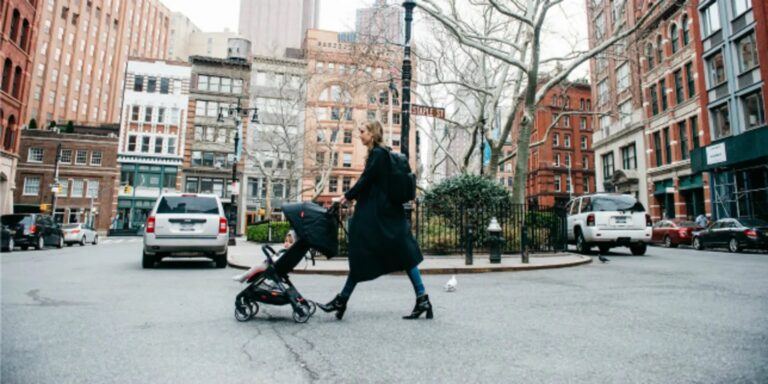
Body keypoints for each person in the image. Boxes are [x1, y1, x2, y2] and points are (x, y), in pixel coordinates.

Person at [318, 121, 432, 320]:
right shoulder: (379, 153)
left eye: (362, 132)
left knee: (369, 252)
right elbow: (369, 180)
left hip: (380, 215)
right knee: (399, 254)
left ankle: (342, 300)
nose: (360, 135)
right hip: (385, 214)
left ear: (372, 133)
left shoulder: (378, 154)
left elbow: (366, 179)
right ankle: (421, 299)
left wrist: (346, 196)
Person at [232, 230, 296, 283]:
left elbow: (278, 259)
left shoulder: (286, 253)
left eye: (290, 242)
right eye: (286, 241)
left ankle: (242, 277)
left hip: (272, 266)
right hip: (275, 265)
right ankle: (243, 277)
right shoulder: (287, 252)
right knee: (256, 268)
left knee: (256, 267)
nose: (287, 243)